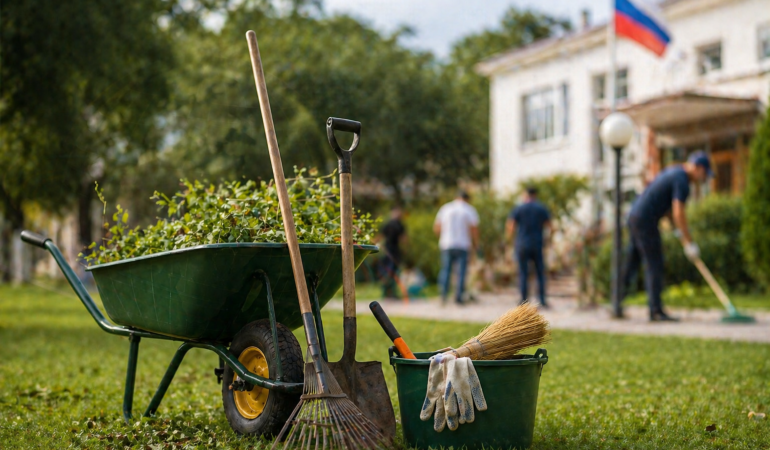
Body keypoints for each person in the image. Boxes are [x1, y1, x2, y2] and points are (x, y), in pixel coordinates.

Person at [621, 151, 713, 321]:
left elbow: (669, 209)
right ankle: (656, 311)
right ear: (698, 168)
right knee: (654, 263)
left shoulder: (674, 172)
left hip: (635, 216)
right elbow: (679, 212)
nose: (704, 179)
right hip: (646, 220)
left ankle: (616, 303)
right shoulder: (683, 180)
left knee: (632, 263)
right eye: (704, 174)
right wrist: (688, 242)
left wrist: (676, 230)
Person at [506, 187, 552, 308]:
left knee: (523, 272)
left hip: (522, 244)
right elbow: (550, 226)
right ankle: (541, 299)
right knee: (539, 273)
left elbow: (511, 226)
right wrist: (548, 240)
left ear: (525, 195)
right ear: (535, 195)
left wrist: (510, 241)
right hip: (537, 244)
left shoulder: (519, 208)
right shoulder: (541, 208)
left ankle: (523, 300)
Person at [433, 190, 479, 305]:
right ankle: (458, 297)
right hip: (463, 244)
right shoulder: (469, 209)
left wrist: (441, 237)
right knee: (461, 272)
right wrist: (476, 244)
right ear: (467, 199)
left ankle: (443, 295)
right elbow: (474, 229)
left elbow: (437, 227)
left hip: (447, 243)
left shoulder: (445, 208)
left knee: (446, 269)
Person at [378, 206, 407, 299]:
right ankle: (390, 293)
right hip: (392, 252)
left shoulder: (389, 224)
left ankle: (387, 293)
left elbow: (380, 236)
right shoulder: (399, 225)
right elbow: (404, 239)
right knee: (392, 272)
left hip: (388, 251)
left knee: (388, 272)